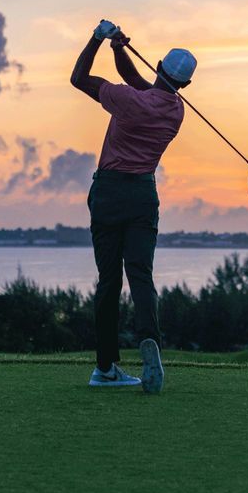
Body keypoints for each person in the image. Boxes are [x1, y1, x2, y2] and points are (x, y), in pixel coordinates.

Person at [70, 20, 196, 393]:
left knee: (109, 281)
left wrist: (97, 38)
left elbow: (80, 78)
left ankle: (105, 368)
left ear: (158, 66)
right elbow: (143, 84)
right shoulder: (175, 111)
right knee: (140, 274)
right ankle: (150, 341)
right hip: (143, 194)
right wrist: (119, 49)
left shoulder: (128, 101)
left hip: (108, 192)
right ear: (186, 86)